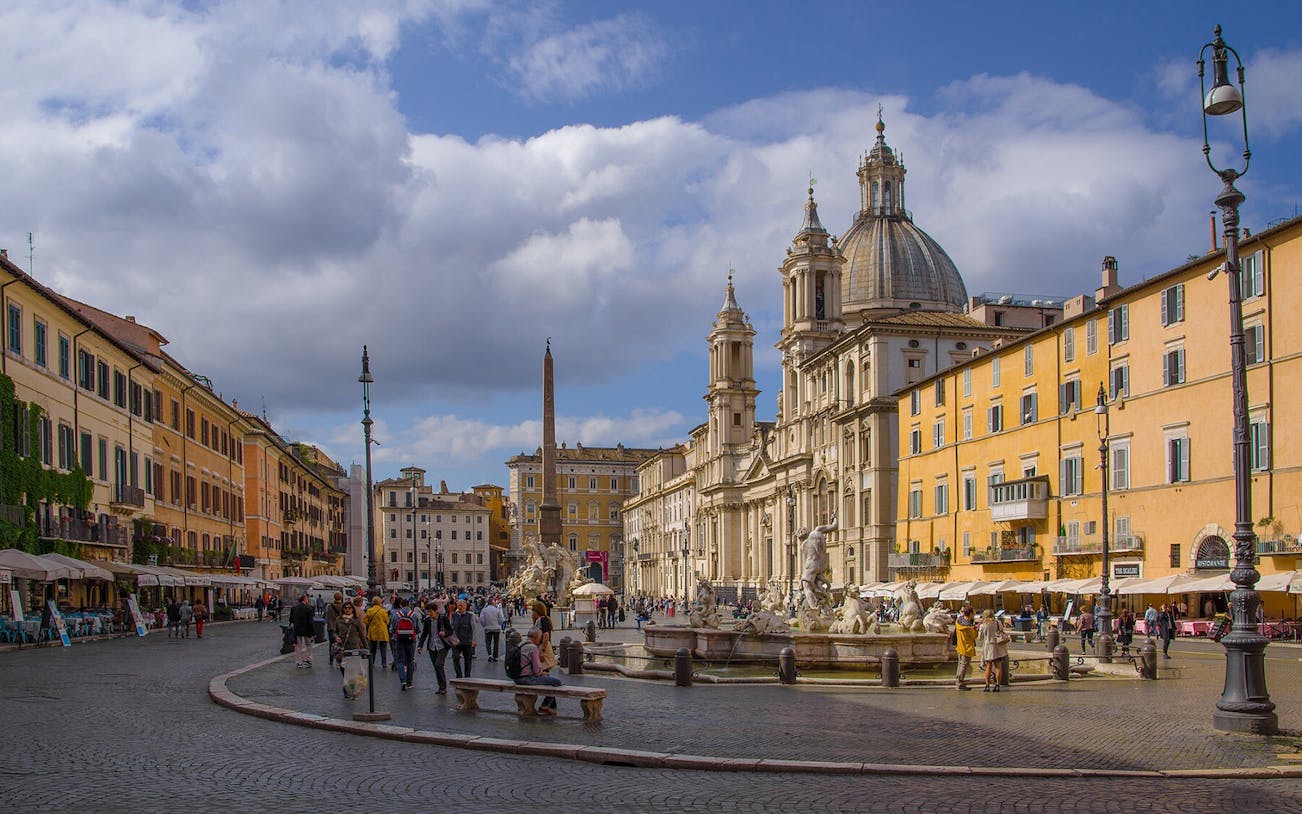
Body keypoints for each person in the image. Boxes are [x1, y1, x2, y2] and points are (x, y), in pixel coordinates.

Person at [514, 627, 562, 714]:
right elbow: (536, 670)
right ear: (536, 637)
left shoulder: (520, 644)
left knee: (547, 678)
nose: (539, 640)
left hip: (516, 677)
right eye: (539, 638)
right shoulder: (533, 648)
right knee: (556, 681)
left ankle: (547, 706)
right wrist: (542, 672)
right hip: (527, 678)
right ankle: (545, 705)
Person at [418, 600, 454, 694]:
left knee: (439, 664)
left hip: (442, 646)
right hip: (432, 646)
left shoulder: (443, 619)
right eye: (428, 612)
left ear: (436, 611)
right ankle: (440, 686)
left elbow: (450, 630)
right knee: (436, 667)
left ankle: (444, 687)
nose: (429, 614)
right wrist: (420, 646)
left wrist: (445, 633)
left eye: (430, 612)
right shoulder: (427, 621)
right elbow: (424, 634)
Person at [390, 598, 421, 690]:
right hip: (411, 640)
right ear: (409, 605)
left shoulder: (396, 615)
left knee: (400, 661)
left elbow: (392, 629)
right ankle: (409, 682)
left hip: (399, 639)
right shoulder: (413, 615)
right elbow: (418, 629)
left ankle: (402, 681)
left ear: (400, 605)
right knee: (410, 660)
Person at [975, 609, 1009, 692]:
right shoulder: (998, 622)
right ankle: (997, 685)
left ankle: (987, 685)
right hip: (998, 646)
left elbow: (980, 638)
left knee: (988, 667)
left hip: (988, 647)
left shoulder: (983, 625)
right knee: (998, 667)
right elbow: (1001, 631)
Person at [334, 600, 367, 670]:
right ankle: (346, 680)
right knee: (343, 668)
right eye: (345, 608)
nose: (347, 609)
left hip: (354, 647)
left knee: (354, 668)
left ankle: (352, 681)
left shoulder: (356, 620)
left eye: (349, 608)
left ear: (352, 609)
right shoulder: (338, 620)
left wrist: (366, 648)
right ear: (343, 609)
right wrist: (336, 637)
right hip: (342, 647)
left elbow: (361, 635)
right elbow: (335, 632)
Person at [450, 599, 477, 678]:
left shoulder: (470, 616)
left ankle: (467, 676)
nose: (460, 607)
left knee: (467, 660)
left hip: (467, 641)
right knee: (455, 658)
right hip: (456, 642)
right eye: (459, 605)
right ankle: (459, 675)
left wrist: (474, 641)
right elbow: (451, 627)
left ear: (465, 606)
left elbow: (474, 629)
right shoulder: (454, 615)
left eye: (462, 605)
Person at [288, 594, 316, 669]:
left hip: (297, 629)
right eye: (307, 599)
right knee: (309, 645)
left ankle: (298, 662)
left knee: (298, 646)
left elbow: (291, 620)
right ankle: (308, 659)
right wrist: (313, 632)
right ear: (304, 599)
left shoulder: (294, 608)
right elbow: (311, 622)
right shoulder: (309, 608)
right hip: (307, 630)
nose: (308, 600)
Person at [954, 605, 977, 691]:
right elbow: (974, 636)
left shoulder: (959, 620)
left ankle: (958, 681)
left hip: (960, 646)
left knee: (960, 665)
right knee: (964, 666)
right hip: (967, 647)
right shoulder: (968, 627)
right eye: (973, 613)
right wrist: (975, 629)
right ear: (970, 614)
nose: (974, 615)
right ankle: (960, 683)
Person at [364, 595, 391, 669]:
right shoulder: (383, 611)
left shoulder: (369, 611)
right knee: (383, 648)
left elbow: (365, 621)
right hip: (382, 631)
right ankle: (384, 663)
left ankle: (372, 662)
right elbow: (387, 621)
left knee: (372, 648)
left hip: (373, 631)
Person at [479, 598, 503, 663]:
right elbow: (501, 619)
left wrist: (484, 625)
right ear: (493, 603)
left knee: (488, 642)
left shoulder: (484, 610)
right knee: (496, 643)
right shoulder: (497, 610)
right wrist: (498, 624)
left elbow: (481, 619)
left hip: (488, 628)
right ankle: (495, 656)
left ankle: (489, 654)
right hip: (496, 628)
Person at [325, 592, 346, 667]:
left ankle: (331, 660)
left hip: (331, 627)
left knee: (331, 644)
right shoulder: (343, 606)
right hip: (340, 627)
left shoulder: (329, 606)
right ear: (341, 597)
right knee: (340, 644)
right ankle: (339, 661)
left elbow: (327, 616)